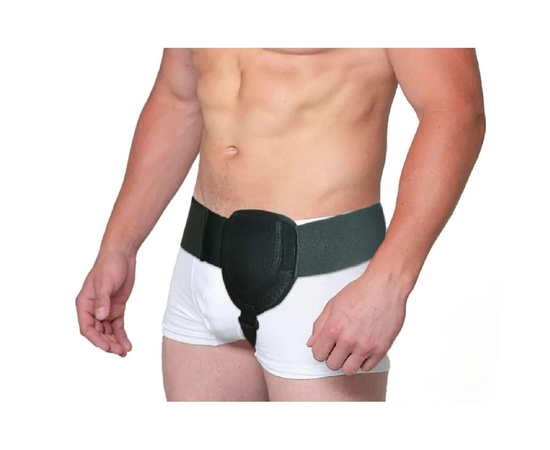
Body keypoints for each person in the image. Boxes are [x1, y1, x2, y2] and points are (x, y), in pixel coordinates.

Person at [75, 48, 485, 401]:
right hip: (201, 264)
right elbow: (179, 96)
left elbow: (455, 112)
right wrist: (119, 245)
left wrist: (389, 283)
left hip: (321, 278)